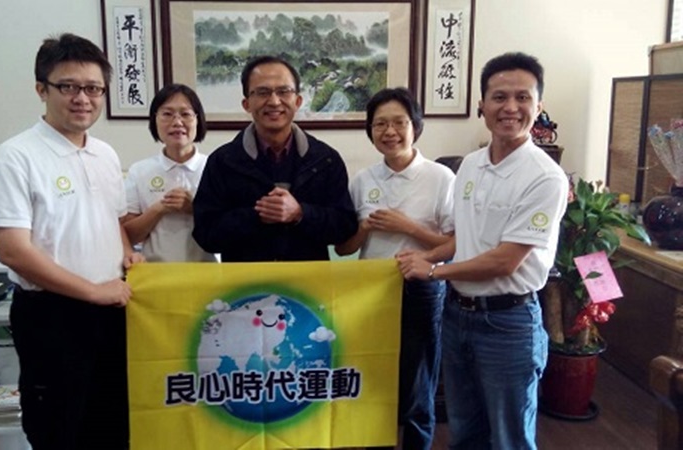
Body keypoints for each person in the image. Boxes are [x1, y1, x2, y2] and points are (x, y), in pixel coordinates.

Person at [396, 52, 568, 449]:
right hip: (458, 315)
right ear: (482, 105)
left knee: (509, 438)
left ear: (538, 106)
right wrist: (427, 256)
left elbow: (506, 261)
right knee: (464, 431)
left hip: (508, 323)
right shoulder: (470, 165)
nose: (511, 107)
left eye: (523, 98)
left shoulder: (545, 178)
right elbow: (467, 236)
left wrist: (433, 271)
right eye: (499, 97)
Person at [0, 33, 142, 450]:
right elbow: (13, 251)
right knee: (59, 430)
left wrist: (127, 252)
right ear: (42, 89)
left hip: (112, 312)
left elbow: (113, 220)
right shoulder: (16, 156)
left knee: (113, 427)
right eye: (68, 86)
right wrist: (93, 291)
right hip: (52, 316)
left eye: (93, 88)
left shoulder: (105, 154)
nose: (82, 98)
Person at [335, 88, 454, 450]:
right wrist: (365, 227)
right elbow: (344, 247)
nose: (390, 132)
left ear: (415, 126)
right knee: (372, 382)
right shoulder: (362, 180)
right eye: (380, 124)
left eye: (399, 123)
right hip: (370, 291)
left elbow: (456, 243)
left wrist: (409, 227)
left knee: (418, 386)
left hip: (421, 289)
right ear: (370, 131)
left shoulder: (441, 177)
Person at [192, 55, 357, 261]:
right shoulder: (223, 161)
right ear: (246, 104)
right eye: (262, 92)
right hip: (245, 280)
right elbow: (206, 234)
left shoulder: (326, 160)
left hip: (308, 280)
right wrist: (256, 215)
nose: (274, 101)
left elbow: (344, 227)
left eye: (283, 91)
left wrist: (300, 213)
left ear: (298, 101)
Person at [123, 84, 216, 262]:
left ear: (198, 120)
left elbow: (228, 228)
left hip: (206, 271)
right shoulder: (139, 171)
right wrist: (159, 209)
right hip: (155, 271)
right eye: (167, 114)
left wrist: (194, 208)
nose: (177, 122)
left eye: (186, 114)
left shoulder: (213, 167)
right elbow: (128, 236)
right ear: (155, 120)